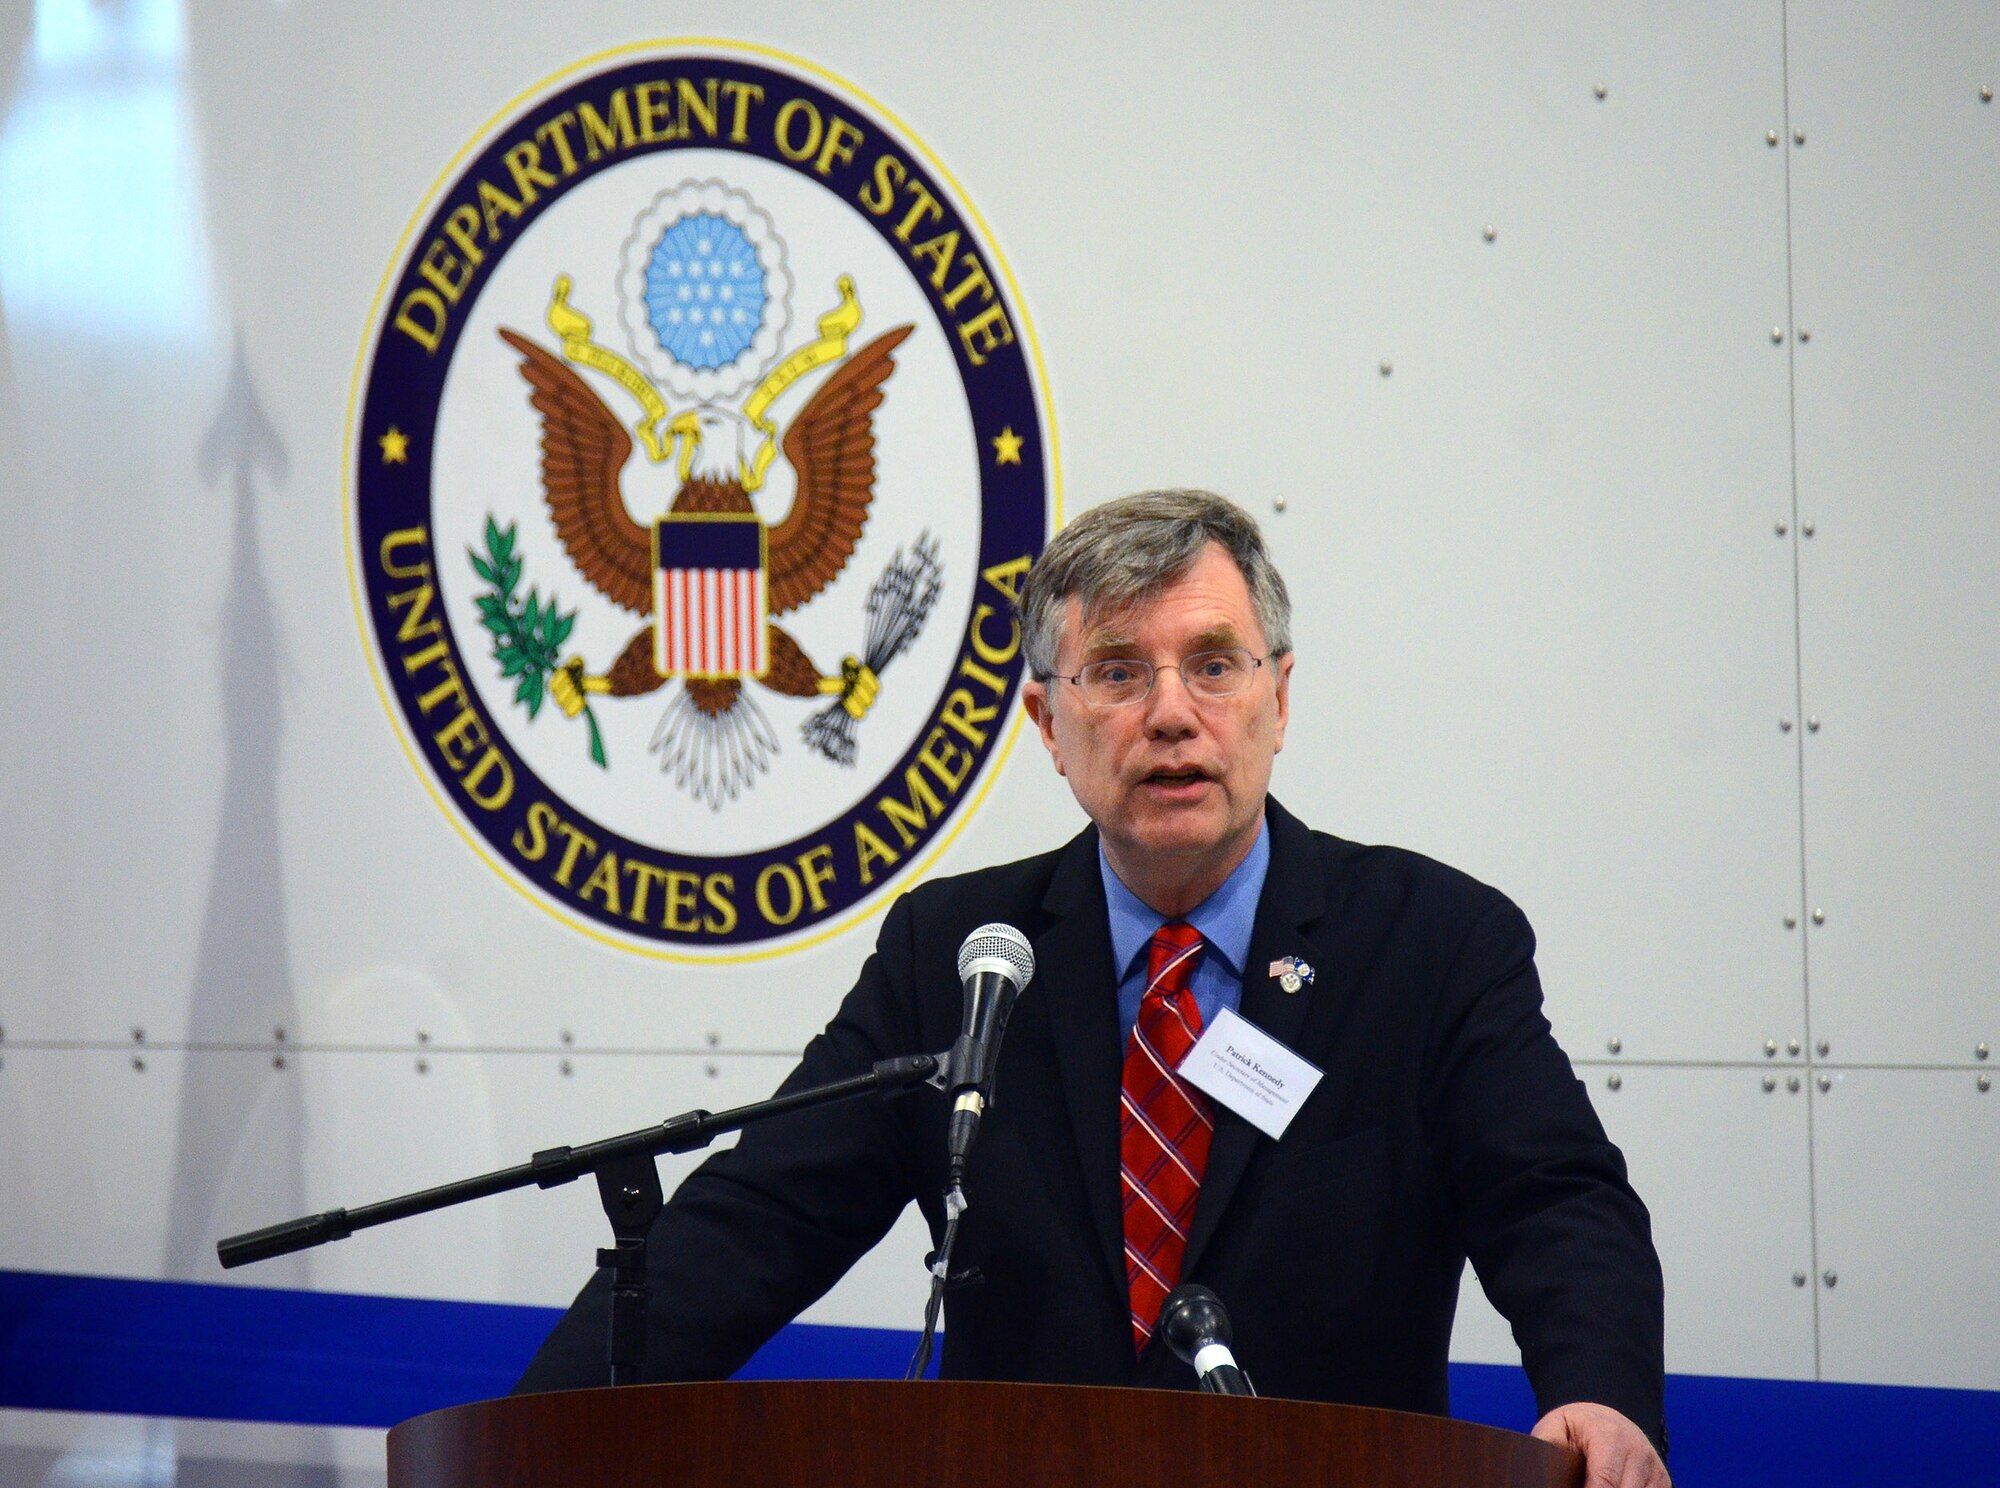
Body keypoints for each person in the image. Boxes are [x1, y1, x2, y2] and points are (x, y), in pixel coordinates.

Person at [518, 490, 1670, 1486]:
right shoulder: (958, 954)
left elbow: (1555, 1203)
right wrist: (534, 1437)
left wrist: (1600, 1393)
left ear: (1278, 697)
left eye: (1212, 665)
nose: (1171, 712)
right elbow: (758, 1217)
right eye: (1116, 672)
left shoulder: (1427, 943)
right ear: (1045, 725)